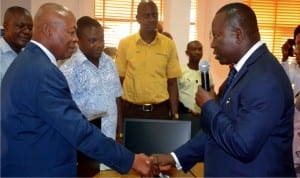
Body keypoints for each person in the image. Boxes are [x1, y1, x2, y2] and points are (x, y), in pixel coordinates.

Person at [1, 3, 159, 177]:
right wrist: (132, 160)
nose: (75, 39)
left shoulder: (30, 61)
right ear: (48, 30)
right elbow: (78, 130)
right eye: (71, 32)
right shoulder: (44, 72)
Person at [151, 2, 296, 177]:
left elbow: (243, 145)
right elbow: (216, 131)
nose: (212, 44)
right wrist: (174, 157)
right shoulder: (244, 71)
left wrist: (209, 106)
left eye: (217, 36)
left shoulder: (264, 78)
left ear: (238, 35)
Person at [60, 16, 123, 170]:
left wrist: (120, 133)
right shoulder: (67, 70)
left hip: (111, 143)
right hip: (86, 146)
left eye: (101, 39)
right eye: (93, 41)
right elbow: (66, 114)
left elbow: (117, 99)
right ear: (78, 40)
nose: (99, 45)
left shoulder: (109, 63)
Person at [115, 0, 182, 120]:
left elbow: (172, 83)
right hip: (131, 110)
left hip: (159, 111)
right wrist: (118, 121)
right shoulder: (125, 44)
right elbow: (118, 82)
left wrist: (175, 114)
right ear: (138, 18)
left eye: (155, 15)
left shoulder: (168, 44)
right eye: (146, 16)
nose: (151, 19)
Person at [177, 40, 212, 137]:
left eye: (200, 49)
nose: (197, 52)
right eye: (194, 49)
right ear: (187, 52)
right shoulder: (180, 71)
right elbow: (174, 94)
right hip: (184, 115)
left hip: (202, 117)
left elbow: (211, 93)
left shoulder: (206, 73)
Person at [0, 6, 32, 82]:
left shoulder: (30, 55)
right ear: (6, 26)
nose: (27, 31)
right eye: (21, 26)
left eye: (30, 28)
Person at [281, 25, 300, 97]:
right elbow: (284, 82)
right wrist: (285, 58)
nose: (295, 51)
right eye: (296, 45)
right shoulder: (296, 65)